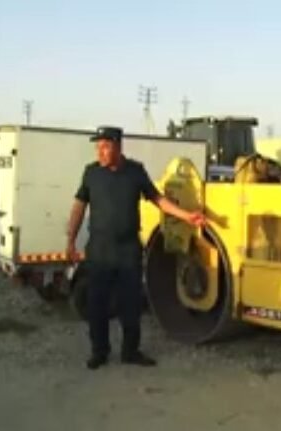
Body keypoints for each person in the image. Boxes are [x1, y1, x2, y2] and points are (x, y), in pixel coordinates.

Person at [66, 126, 206, 370]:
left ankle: (130, 351)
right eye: (98, 147)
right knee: (97, 305)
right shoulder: (91, 173)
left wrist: (186, 216)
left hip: (128, 251)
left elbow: (158, 199)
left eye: (105, 146)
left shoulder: (135, 172)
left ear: (118, 146)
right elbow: (78, 207)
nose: (100, 151)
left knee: (130, 305)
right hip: (99, 251)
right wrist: (70, 240)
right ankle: (99, 352)